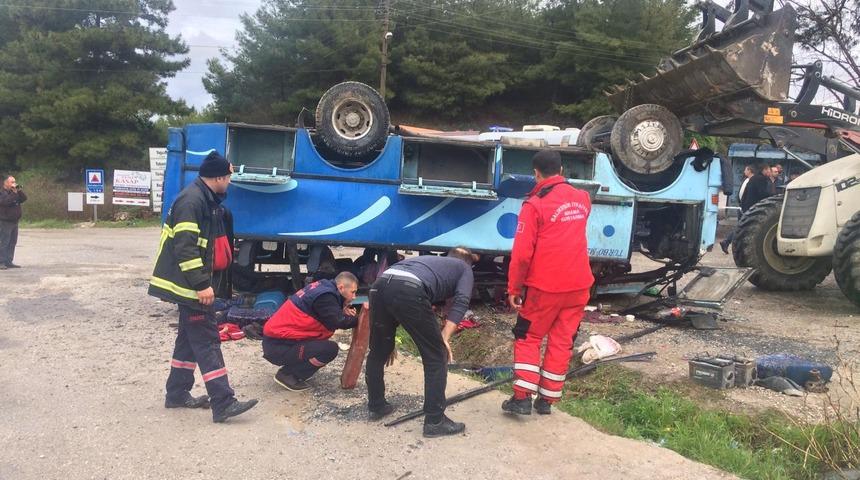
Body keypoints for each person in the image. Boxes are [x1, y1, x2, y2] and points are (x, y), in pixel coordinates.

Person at [148, 151, 258, 423]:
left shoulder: (203, 198)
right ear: (219, 177)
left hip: (188, 285)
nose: (230, 182)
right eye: (229, 177)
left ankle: (176, 393)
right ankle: (223, 402)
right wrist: (201, 284)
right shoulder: (192, 201)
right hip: (189, 286)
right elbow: (185, 248)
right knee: (208, 340)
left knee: (187, 342)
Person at [503, 150, 594, 416]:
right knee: (562, 340)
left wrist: (514, 288)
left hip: (545, 287)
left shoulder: (534, 204)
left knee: (529, 336)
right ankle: (547, 400)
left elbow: (521, 254)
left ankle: (521, 398)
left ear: (535, 173)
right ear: (562, 169)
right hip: (578, 286)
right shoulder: (582, 199)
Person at [365, 247, 475, 438]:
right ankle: (435, 421)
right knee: (436, 355)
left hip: (379, 285)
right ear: (468, 261)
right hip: (407, 288)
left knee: (378, 351)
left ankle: (377, 405)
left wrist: (387, 340)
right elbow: (462, 301)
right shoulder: (464, 269)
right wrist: (444, 338)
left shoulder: (426, 263)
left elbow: (395, 292)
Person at [262, 272, 360, 391]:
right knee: (329, 349)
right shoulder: (326, 296)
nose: (354, 297)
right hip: (278, 345)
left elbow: (328, 316)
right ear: (341, 288)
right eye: (353, 292)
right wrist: (359, 320)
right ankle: (288, 375)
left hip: (278, 340)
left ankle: (294, 369)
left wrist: (343, 311)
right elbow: (338, 322)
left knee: (321, 344)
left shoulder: (324, 287)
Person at [720, 165, 754, 254]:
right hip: (744, 208)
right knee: (742, 228)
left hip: (743, 207)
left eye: (745, 170)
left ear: (749, 170)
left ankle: (727, 242)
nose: (744, 171)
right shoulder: (748, 181)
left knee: (741, 227)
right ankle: (728, 242)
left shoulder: (749, 180)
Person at [0, 175, 26, 269]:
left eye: (14, 181)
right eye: (11, 182)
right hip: (5, 221)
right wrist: (14, 194)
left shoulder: (14, 192)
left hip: (14, 221)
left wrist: (18, 190)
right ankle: (1, 262)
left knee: (12, 242)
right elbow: (5, 202)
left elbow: (24, 198)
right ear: (6, 183)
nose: (14, 184)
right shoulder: (2, 193)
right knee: (4, 242)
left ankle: (8, 261)